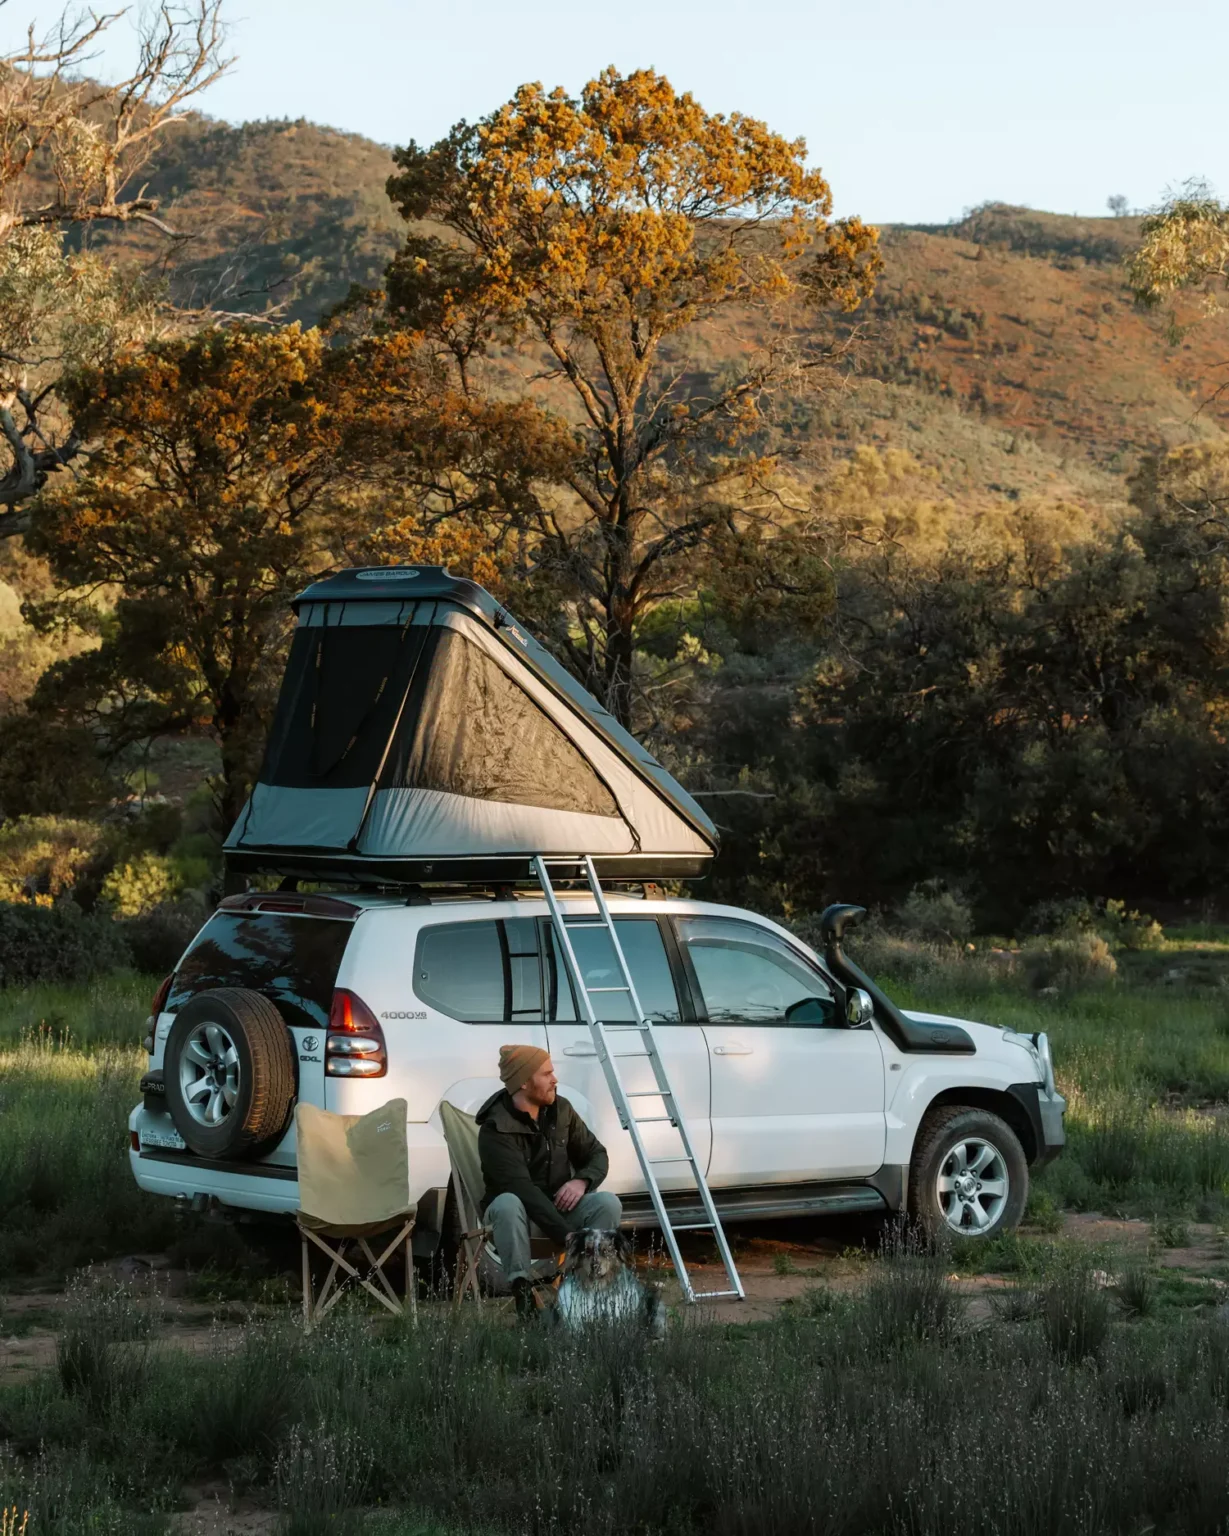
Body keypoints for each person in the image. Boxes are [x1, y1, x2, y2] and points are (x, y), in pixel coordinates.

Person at [477, 1043, 622, 1317]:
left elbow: (596, 1154)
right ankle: (524, 1299)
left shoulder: (561, 1111)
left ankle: (584, 1296)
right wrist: (568, 1237)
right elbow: (522, 1191)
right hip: (516, 1222)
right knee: (508, 1202)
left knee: (607, 1203)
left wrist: (581, 1181)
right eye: (546, 1074)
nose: (555, 1079)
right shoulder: (494, 1129)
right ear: (522, 1083)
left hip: (558, 1210)